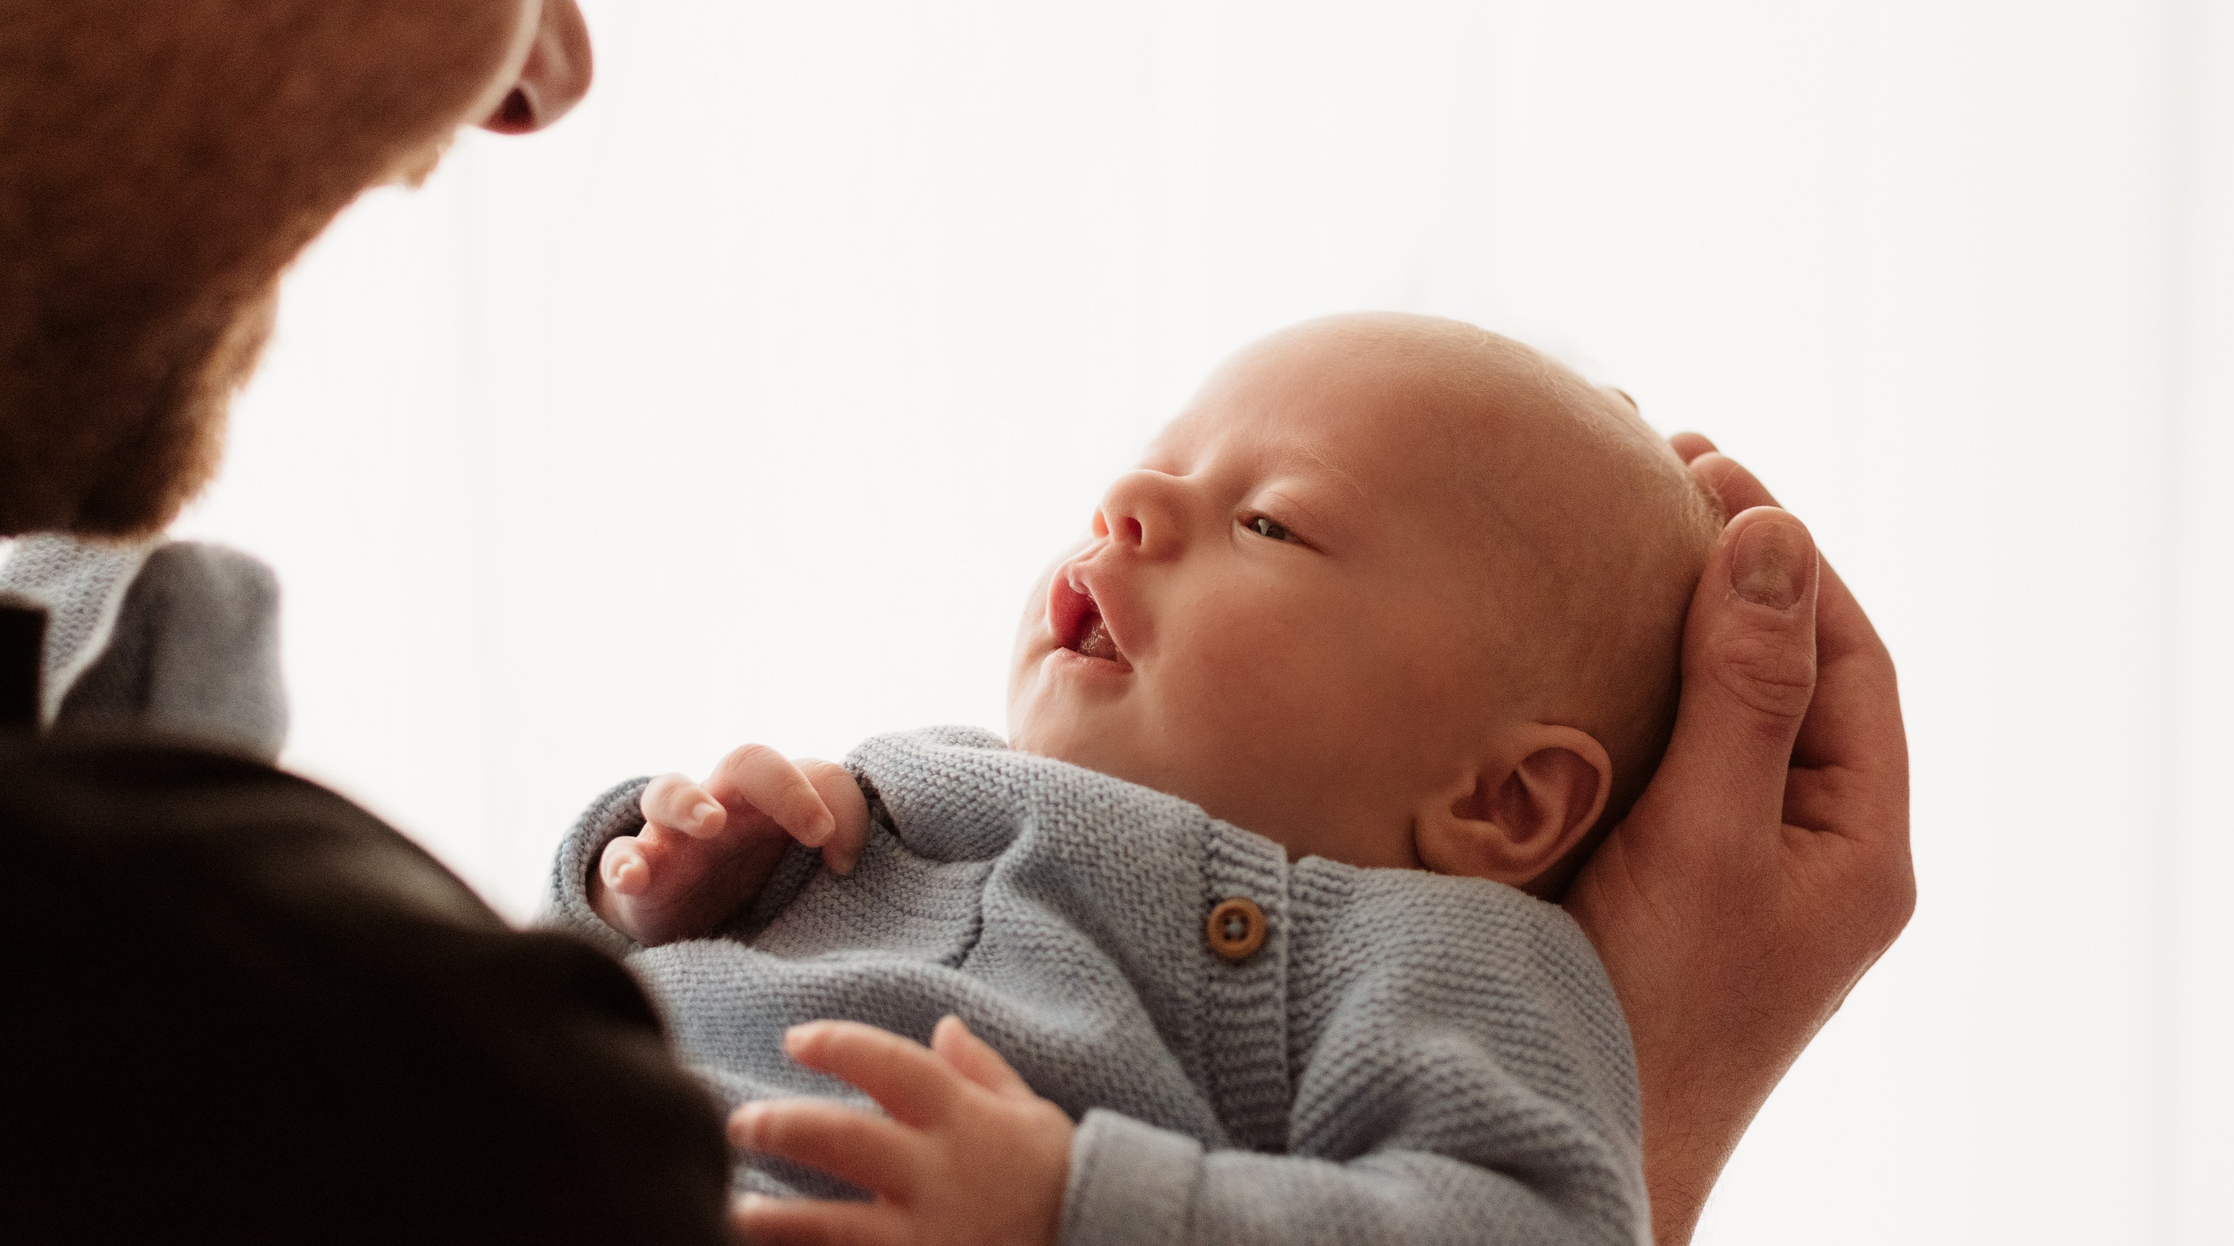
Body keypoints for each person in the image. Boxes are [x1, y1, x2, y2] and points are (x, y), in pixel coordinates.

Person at [0, 0, 1913, 1240]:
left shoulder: (170, 949)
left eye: (1274, 518)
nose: (549, 67)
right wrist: (1648, 1108)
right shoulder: (239, 1035)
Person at [551, 315, 1723, 1242]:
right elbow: (538, 996)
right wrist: (650, 898)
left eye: (1268, 524)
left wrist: (1078, 1209)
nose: (1128, 509)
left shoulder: (1434, 960)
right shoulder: (911, 791)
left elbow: (1532, 1225)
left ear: (1499, 803)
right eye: (1148, 471)